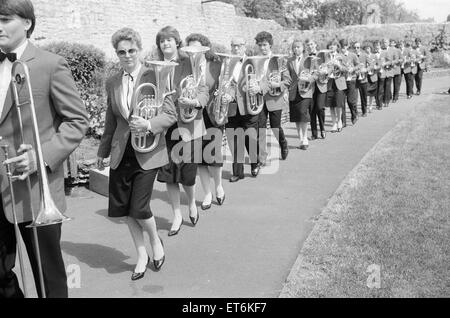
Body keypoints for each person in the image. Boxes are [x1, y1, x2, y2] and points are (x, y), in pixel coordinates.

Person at [0, 0, 89, 298]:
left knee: (47, 276)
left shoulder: (50, 64)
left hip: (35, 190)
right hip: (0, 188)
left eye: (4, 19)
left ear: (26, 23)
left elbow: (77, 121)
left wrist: (41, 157)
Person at [97, 28, 174, 281]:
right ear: (116, 54)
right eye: (121, 52)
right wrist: (103, 150)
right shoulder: (112, 81)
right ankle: (141, 255)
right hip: (122, 152)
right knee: (124, 210)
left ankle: (155, 241)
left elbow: (170, 115)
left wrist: (149, 125)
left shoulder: (156, 74)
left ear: (139, 50)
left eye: (131, 50)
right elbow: (111, 120)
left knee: (139, 208)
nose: (127, 55)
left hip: (149, 151)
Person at [155, 26, 208, 236]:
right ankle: (176, 214)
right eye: (162, 41)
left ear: (177, 42)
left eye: (169, 40)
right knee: (169, 175)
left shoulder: (189, 61)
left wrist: (195, 101)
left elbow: (203, 89)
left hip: (189, 123)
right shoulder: (155, 66)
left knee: (187, 174)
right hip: (166, 127)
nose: (165, 43)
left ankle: (192, 204)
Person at [185, 33, 226, 210]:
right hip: (194, 117)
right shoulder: (186, 67)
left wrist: (225, 95)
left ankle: (218, 186)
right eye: (191, 48)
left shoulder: (216, 64)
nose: (194, 51)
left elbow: (226, 84)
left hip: (213, 114)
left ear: (205, 48)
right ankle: (207, 193)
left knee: (214, 155)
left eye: (198, 48)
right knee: (201, 159)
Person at [226, 36, 262, 182]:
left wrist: (259, 87)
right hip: (232, 107)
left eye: (238, 45)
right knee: (235, 140)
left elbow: (263, 79)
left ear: (244, 46)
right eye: (233, 45)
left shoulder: (253, 61)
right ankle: (237, 172)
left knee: (250, 139)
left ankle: (255, 162)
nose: (235, 48)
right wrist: (228, 94)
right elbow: (227, 83)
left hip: (249, 108)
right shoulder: (227, 63)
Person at [255, 31, 290, 162]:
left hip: (275, 98)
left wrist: (278, 84)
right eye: (260, 45)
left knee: (275, 127)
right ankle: (262, 157)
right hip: (259, 99)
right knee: (261, 128)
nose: (262, 48)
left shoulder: (279, 60)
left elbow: (287, 80)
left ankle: (283, 143)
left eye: (265, 45)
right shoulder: (255, 61)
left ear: (270, 45)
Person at [287, 39, 313, 149]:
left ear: (303, 48)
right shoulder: (289, 60)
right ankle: (301, 138)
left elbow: (315, 73)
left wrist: (309, 78)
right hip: (293, 91)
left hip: (305, 90)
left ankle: (305, 138)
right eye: (294, 47)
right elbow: (287, 77)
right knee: (296, 116)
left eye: (298, 47)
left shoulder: (309, 59)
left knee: (303, 113)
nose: (296, 49)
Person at [306, 39, 326, 140]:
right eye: (308, 45)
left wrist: (324, 71)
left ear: (316, 44)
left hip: (321, 85)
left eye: (312, 44)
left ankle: (322, 128)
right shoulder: (306, 58)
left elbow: (328, 67)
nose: (310, 46)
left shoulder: (322, 55)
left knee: (320, 108)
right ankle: (314, 133)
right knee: (312, 110)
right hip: (310, 87)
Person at [326, 40, 346, 133]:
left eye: (333, 45)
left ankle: (339, 121)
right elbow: (322, 67)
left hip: (339, 82)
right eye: (330, 45)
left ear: (337, 47)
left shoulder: (341, 56)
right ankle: (334, 123)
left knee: (338, 104)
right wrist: (327, 66)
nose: (331, 46)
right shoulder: (326, 56)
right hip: (329, 82)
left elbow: (346, 69)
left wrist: (338, 65)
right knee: (331, 105)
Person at [340, 39, 359, 125]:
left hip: (351, 80)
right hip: (341, 80)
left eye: (344, 46)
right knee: (341, 101)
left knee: (351, 101)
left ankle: (354, 114)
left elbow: (358, 65)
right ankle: (343, 121)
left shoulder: (353, 55)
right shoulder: (338, 56)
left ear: (347, 46)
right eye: (341, 47)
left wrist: (353, 69)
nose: (343, 48)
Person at [354, 41, 368, 117]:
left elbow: (371, 65)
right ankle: (355, 111)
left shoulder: (365, 55)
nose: (356, 49)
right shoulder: (352, 55)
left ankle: (364, 110)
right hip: (354, 79)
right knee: (354, 97)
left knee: (363, 96)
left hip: (363, 79)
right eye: (355, 47)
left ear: (360, 48)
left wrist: (366, 69)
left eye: (358, 47)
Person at [363, 42, 379, 113]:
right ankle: (365, 106)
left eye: (368, 48)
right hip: (366, 76)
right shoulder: (363, 56)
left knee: (372, 93)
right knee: (365, 92)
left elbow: (379, 65)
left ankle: (370, 106)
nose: (367, 49)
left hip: (373, 76)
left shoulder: (374, 56)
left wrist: (376, 67)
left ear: (371, 48)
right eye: (366, 48)